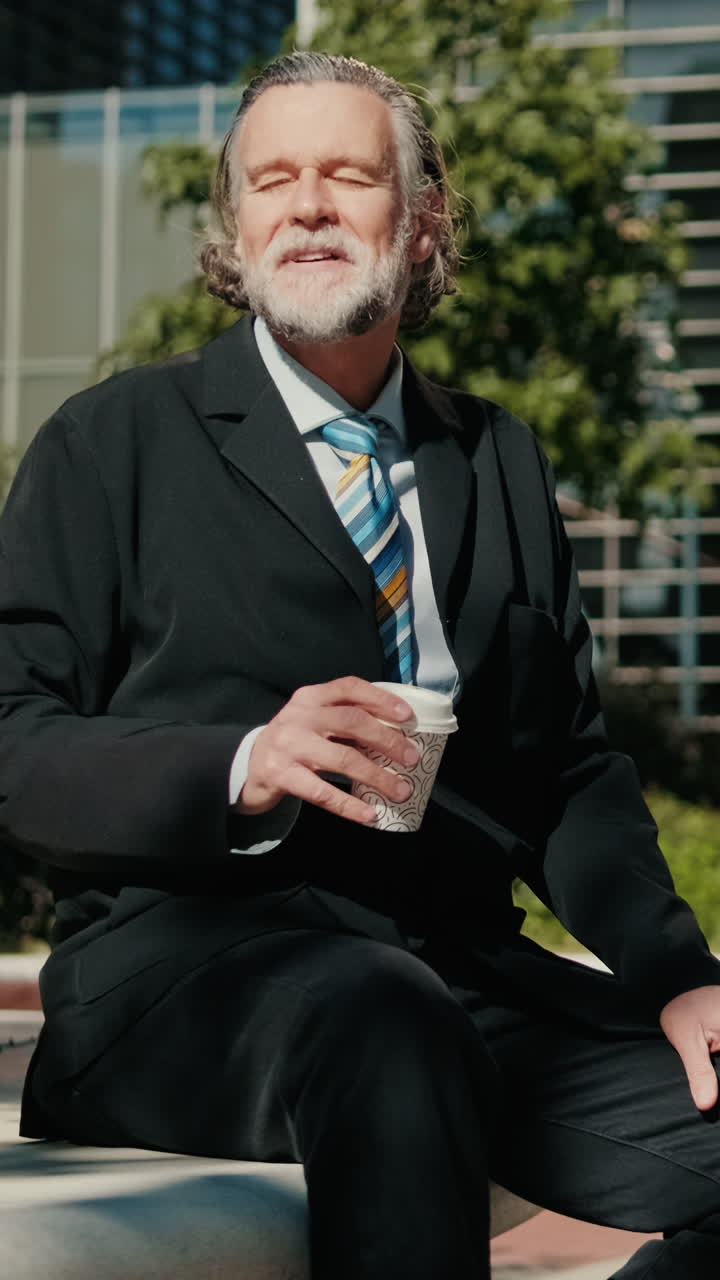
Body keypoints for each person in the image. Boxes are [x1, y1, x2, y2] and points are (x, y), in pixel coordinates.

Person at [2, 50, 720, 1280]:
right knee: (385, 1019)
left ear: (423, 217)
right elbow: (15, 740)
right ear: (237, 223)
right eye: (273, 179)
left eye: (347, 174)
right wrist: (242, 762)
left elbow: (563, 769)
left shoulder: (495, 456)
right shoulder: (111, 442)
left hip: (461, 979)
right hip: (183, 980)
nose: (309, 206)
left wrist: (680, 975)